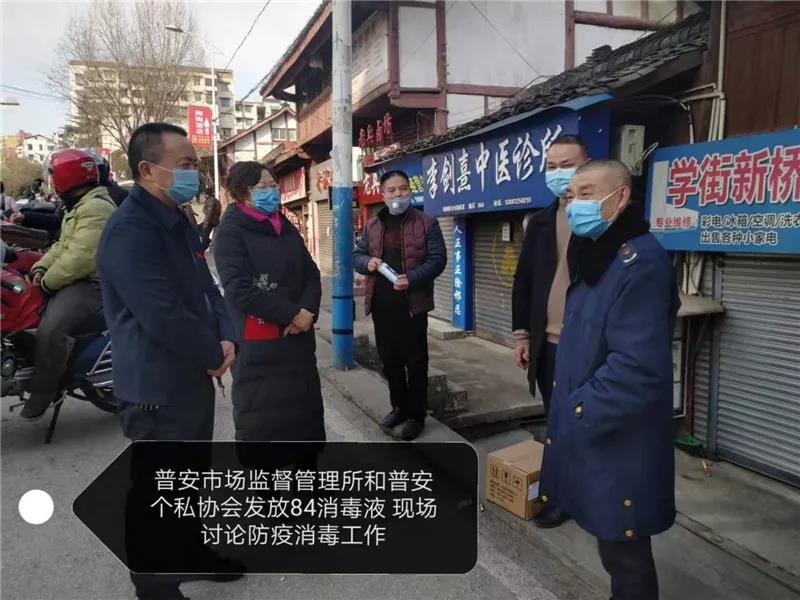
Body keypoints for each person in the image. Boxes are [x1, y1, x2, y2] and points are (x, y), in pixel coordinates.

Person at [97, 123, 240, 600]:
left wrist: (226, 336)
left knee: (190, 481)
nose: (194, 174)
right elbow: (160, 312)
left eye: (196, 164)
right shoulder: (129, 230)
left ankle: (192, 554)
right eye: (185, 165)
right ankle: (154, 584)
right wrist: (211, 352)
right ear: (147, 170)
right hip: (155, 386)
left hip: (191, 377)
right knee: (158, 489)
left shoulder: (177, 219)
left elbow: (207, 286)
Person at [539, 159, 678, 600]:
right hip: (597, 425)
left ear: (620, 198)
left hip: (618, 433)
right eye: (571, 195)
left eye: (587, 193)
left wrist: (577, 412)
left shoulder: (640, 262)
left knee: (625, 549)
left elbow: (636, 367)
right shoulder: (596, 254)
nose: (575, 204)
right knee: (612, 541)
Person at [213, 161, 324, 442]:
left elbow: (311, 274)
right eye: (262, 186)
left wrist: (307, 312)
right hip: (260, 346)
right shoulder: (230, 231)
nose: (271, 191)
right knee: (263, 424)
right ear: (243, 192)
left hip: (299, 339)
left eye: (273, 185)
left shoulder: (283, 224)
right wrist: (292, 314)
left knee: (305, 422)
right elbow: (239, 290)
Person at [511, 135, 588, 528]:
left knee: (581, 423)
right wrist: (523, 335)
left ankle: (573, 496)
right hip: (548, 345)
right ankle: (561, 494)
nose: (559, 174)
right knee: (556, 424)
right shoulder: (540, 222)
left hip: (588, 346)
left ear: (588, 165)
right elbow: (523, 281)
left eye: (567, 165)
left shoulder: (603, 219)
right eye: (552, 166)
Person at [20, 149, 117, 420]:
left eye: (54, 176)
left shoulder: (96, 208)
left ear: (67, 177)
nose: (52, 182)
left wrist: (47, 282)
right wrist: (40, 268)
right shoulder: (80, 206)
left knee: (51, 329)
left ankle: (44, 390)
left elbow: (81, 258)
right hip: (76, 279)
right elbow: (62, 246)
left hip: (92, 283)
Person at [353, 170, 447, 441]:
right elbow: (358, 255)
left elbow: (437, 260)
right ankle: (399, 407)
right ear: (382, 194)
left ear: (411, 190)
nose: (398, 195)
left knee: (415, 362)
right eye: (392, 190)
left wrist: (412, 278)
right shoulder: (373, 224)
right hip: (382, 305)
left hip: (412, 305)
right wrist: (367, 262)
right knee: (390, 361)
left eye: (403, 189)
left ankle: (416, 415)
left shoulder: (427, 223)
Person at [201, 185, 222, 250]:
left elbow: (209, 212)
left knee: (204, 235)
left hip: (210, 221)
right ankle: (208, 244)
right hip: (214, 220)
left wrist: (206, 223)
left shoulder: (211, 200)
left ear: (207, 194)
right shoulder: (215, 200)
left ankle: (203, 248)